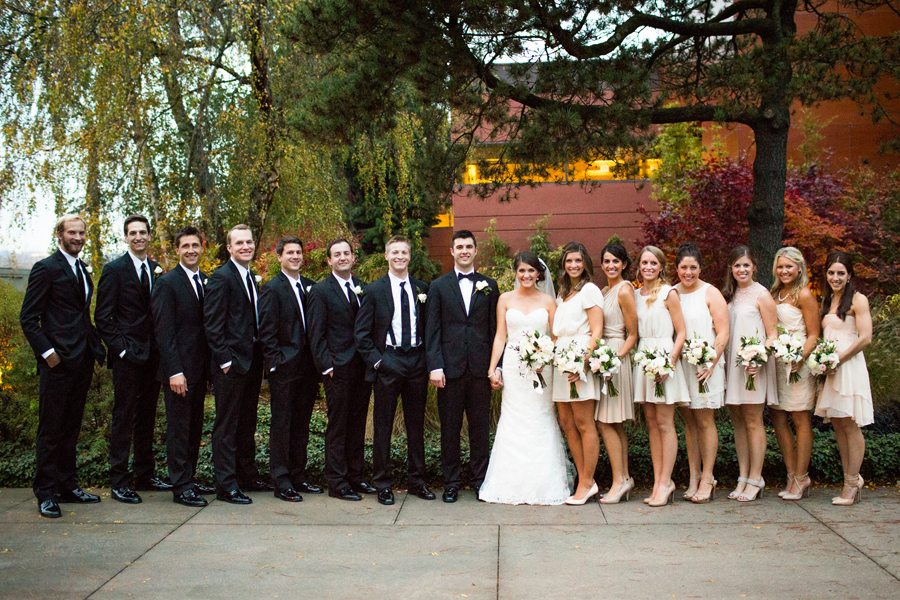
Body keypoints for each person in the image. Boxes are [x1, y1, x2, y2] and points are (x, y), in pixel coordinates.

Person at [20, 214, 106, 518]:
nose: (78, 238)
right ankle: (45, 492)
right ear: (60, 235)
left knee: (71, 427)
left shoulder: (81, 268)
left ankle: (67, 486)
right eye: (72, 233)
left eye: (82, 233)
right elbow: (28, 318)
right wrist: (48, 354)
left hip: (81, 359)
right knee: (51, 429)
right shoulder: (46, 268)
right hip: (57, 363)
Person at [480, 251, 571, 505]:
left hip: (541, 369)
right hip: (513, 367)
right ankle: (509, 483)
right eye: (522, 270)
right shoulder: (505, 299)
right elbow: (501, 336)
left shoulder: (549, 301)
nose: (526, 275)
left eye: (531, 270)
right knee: (513, 418)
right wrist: (492, 368)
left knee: (540, 418)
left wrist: (546, 358)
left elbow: (555, 337)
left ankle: (544, 484)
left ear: (539, 273)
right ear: (516, 273)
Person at [95, 215, 169, 504]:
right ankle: (119, 480)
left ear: (149, 236)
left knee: (147, 416)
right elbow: (103, 317)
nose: (138, 237)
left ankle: (145, 474)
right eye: (132, 233)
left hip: (153, 355)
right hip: (127, 356)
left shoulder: (157, 269)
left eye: (143, 232)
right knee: (124, 416)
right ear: (125, 237)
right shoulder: (114, 270)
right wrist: (122, 350)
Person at [355, 235, 434, 506]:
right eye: (395, 252)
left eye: (404, 252)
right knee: (383, 426)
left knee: (416, 425)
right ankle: (383, 483)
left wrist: (426, 361)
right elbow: (362, 334)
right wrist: (379, 362)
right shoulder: (374, 290)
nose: (400, 256)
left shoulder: (422, 289)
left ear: (410, 256)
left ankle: (417, 481)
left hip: (417, 362)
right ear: (387, 256)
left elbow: (430, 327)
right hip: (389, 361)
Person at [425, 230, 499, 503]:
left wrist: (496, 366)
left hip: (480, 370)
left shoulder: (489, 286)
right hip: (449, 370)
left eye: (469, 246)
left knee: (480, 429)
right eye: (459, 247)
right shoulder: (438, 286)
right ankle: (451, 483)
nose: (464, 251)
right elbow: (432, 329)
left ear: (476, 250)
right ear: (452, 251)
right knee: (450, 429)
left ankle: (480, 481)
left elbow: (495, 329)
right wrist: (435, 365)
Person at [204, 224, 270, 504]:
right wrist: (225, 361)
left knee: (247, 422)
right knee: (227, 425)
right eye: (239, 243)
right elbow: (212, 324)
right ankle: (226, 485)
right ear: (229, 248)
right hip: (231, 364)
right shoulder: (221, 278)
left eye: (249, 242)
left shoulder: (250, 277)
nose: (246, 246)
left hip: (252, 361)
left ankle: (247, 475)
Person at [307, 239, 375, 501]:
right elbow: (316, 333)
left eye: (346, 253)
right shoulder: (320, 291)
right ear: (329, 260)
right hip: (337, 369)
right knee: (338, 426)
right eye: (337, 254)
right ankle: (337, 482)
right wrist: (327, 366)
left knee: (357, 424)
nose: (342, 257)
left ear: (353, 257)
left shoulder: (363, 287)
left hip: (361, 368)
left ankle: (356, 477)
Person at [151, 226, 213, 507]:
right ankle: (181, 486)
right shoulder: (167, 283)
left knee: (194, 427)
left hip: (200, 369)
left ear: (202, 248)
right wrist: (174, 371)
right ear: (177, 250)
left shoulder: (206, 281)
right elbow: (164, 332)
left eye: (195, 245)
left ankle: (190, 478)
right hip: (178, 372)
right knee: (179, 429)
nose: (191, 250)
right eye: (185, 246)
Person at [258, 236, 323, 502]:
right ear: (279, 257)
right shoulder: (272, 289)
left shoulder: (311, 286)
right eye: (290, 253)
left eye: (298, 252)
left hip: (308, 369)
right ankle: (281, 480)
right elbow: (266, 331)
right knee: (282, 425)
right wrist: (275, 364)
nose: (295, 256)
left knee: (301, 424)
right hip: (284, 368)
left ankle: (298, 475)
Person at [633, 246, 690, 507]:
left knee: (665, 423)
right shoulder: (635, 295)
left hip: (664, 356)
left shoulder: (669, 293)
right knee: (652, 423)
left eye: (653, 263)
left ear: (661, 266)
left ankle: (666, 481)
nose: (648, 267)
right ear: (639, 266)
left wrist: (669, 363)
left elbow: (681, 332)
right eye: (644, 262)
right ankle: (658, 482)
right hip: (644, 356)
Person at [816, 251, 873, 506]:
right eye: (831, 272)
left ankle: (851, 484)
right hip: (831, 369)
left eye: (841, 273)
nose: (835, 277)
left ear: (849, 275)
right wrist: (822, 361)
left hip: (848, 367)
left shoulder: (858, 300)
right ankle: (851, 477)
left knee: (850, 424)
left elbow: (865, 338)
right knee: (838, 425)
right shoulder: (827, 300)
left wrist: (838, 359)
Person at [673, 243, 728, 504]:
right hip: (683, 365)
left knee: (705, 421)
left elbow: (723, 331)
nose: (688, 272)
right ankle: (694, 476)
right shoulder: (672, 293)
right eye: (683, 267)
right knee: (689, 422)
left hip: (706, 366)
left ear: (700, 268)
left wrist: (711, 363)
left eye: (693, 267)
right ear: (677, 268)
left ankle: (708, 478)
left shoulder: (710, 292)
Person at [722, 246, 778, 502]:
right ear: (731, 269)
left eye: (746, 265)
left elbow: (773, 333)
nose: (741, 269)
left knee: (753, 421)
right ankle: (743, 476)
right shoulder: (729, 295)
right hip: (732, 366)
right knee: (738, 422)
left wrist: (759, 358)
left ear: (754, 266)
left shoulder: (762, 295)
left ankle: (756, 477)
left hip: (752, 366)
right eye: (737, 265)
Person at [552, 242, 604, 505]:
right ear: (563, 264)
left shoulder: (589, 290)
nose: (573, 265)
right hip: (561, 360)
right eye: (569, 260)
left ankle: (587, 481)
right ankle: (585, 480)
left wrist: (583, 363)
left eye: (578, 260)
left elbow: (597, 331)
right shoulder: (563, 293)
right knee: (567, 422)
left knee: (584, 423)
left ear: (585, 264)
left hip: (579, 359)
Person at [769, 247, 819, 501]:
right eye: (780, 266)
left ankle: (802, 476)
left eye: (789, 266)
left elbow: (814, 334)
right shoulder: (773, 294)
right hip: (778, 364)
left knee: (800, 419)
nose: (784, 271)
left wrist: (800, 357)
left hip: (799, 363)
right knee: (777, 417)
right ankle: (791, 475)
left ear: (799, 268)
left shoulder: (804, 295)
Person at [595, 243, 638, 505]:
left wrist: (615, 361)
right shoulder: (604, 291)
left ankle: (619, 481)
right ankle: (625, 478)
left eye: (616, 261)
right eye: (607, 261)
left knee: (605, 421)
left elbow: (632, 334)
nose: (611, 266)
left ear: (624, 264)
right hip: (603, 356)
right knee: (613, 422)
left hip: (616, 356)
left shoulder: (624, 290)